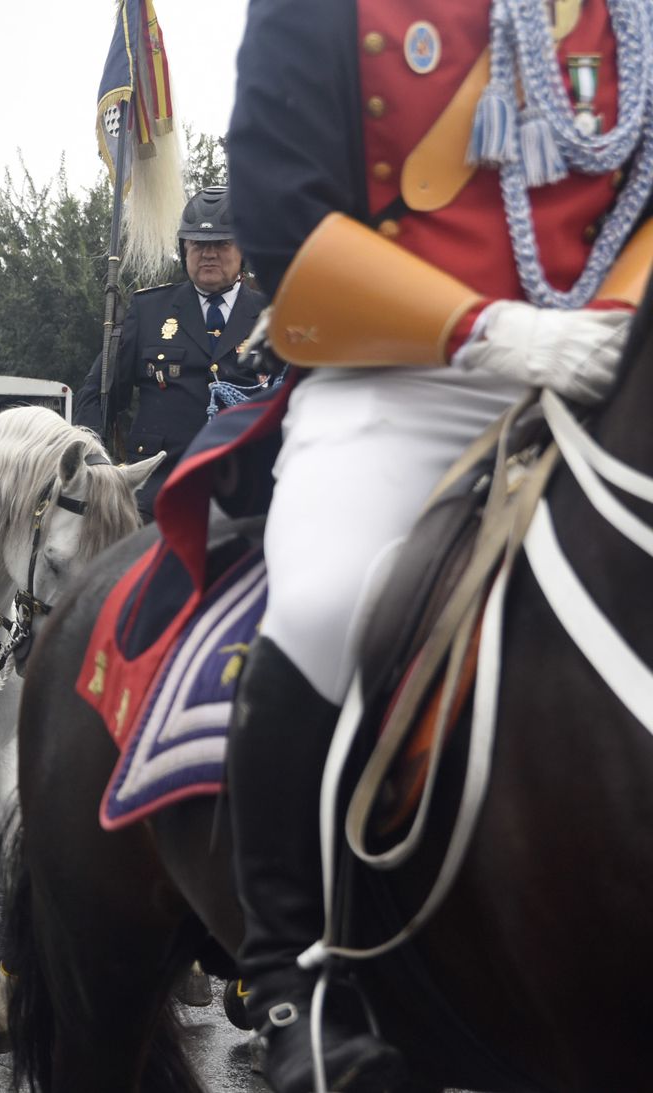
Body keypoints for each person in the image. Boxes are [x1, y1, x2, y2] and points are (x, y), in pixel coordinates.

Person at [216, 4, 648, 1090]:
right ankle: (291, 981)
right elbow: (280, 223)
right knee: (321, 605)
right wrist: (494, 330)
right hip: (406, 377)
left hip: (615, 364)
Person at [74, 187, 271, 518]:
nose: (208, 254)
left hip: (248, 498)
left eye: (221, 244)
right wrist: (95, 464)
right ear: (184, 249)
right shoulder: (148, 310)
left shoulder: (274, 315)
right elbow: (97, 396)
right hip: (155, 499)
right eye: (197, 244)